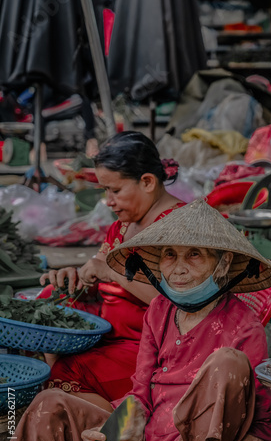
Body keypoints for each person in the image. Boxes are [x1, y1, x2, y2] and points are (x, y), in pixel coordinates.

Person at [4, 199, 271, 441]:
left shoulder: (244, 326)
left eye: (194, 255)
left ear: (224, 263)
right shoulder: (159, 310)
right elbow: (140, 395)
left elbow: (264, 429)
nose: (178, 267)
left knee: (227, 362)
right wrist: (113, 433)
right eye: (169, 255)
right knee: (48, 404)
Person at [38, 130, 184, 411]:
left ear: (147, 182)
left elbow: (179, 301)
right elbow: (97, 272)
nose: (108, 200)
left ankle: (123, 430)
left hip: (151, 344)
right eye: (106, 190)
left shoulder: (177, 230)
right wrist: (76, 276)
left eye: (115, 190)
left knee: (67, 374)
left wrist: (111, 273)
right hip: (112, 327)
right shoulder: (127, 222)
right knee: (50, 300)